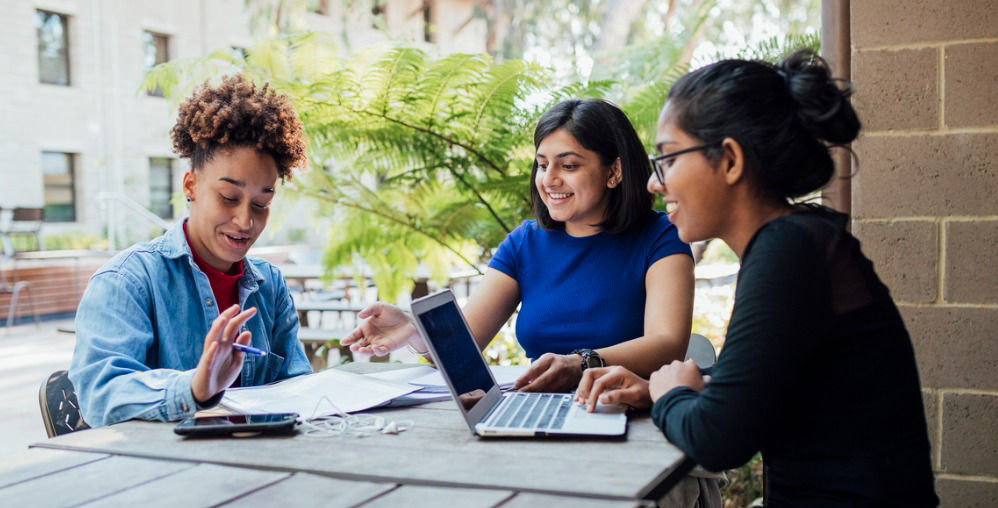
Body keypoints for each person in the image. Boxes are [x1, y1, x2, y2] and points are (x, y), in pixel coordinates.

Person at [576, 50, 939, 506]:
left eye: (666, 159)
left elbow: (719, 440)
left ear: (729, 160)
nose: (654, 182)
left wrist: (669, 394)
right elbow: (758, 391)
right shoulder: (795, 242)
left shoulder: (789, 251)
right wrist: (654, 389)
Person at [342, 98, 695, 392]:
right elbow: (463, 346)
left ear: (614, 171)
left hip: (627, 411)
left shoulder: (661, 238)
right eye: (542, 165)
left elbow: (667, 345)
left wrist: (581, 363)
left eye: (568, 165)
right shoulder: (524, 243)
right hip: (540, 409)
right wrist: (412, 328)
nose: (549, 179)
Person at [69, 75, 312, 427]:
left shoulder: (270, 286)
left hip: (263, 468)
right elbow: (101, 393)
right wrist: (193, 389)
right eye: (228, 198)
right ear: (191, 186)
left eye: (261, 203)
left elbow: (296, 388)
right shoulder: (128, 281)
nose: (245, 221)